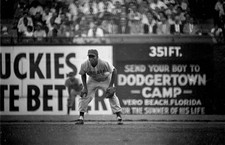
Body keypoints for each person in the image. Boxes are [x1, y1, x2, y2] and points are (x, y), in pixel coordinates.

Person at [76, 49, 123, 125]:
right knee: (85, 95)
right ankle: (81, 117)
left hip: (105, 79)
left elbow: (114, 71)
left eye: (93, 56)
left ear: (97, 56)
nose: (91, 58)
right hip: (93, 80)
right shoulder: (85, 64)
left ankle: (119, 116)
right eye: (89, 56)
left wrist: (110, 85)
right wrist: (85, 87)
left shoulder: (103, 63)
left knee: (112, 96)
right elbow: (82, 74)